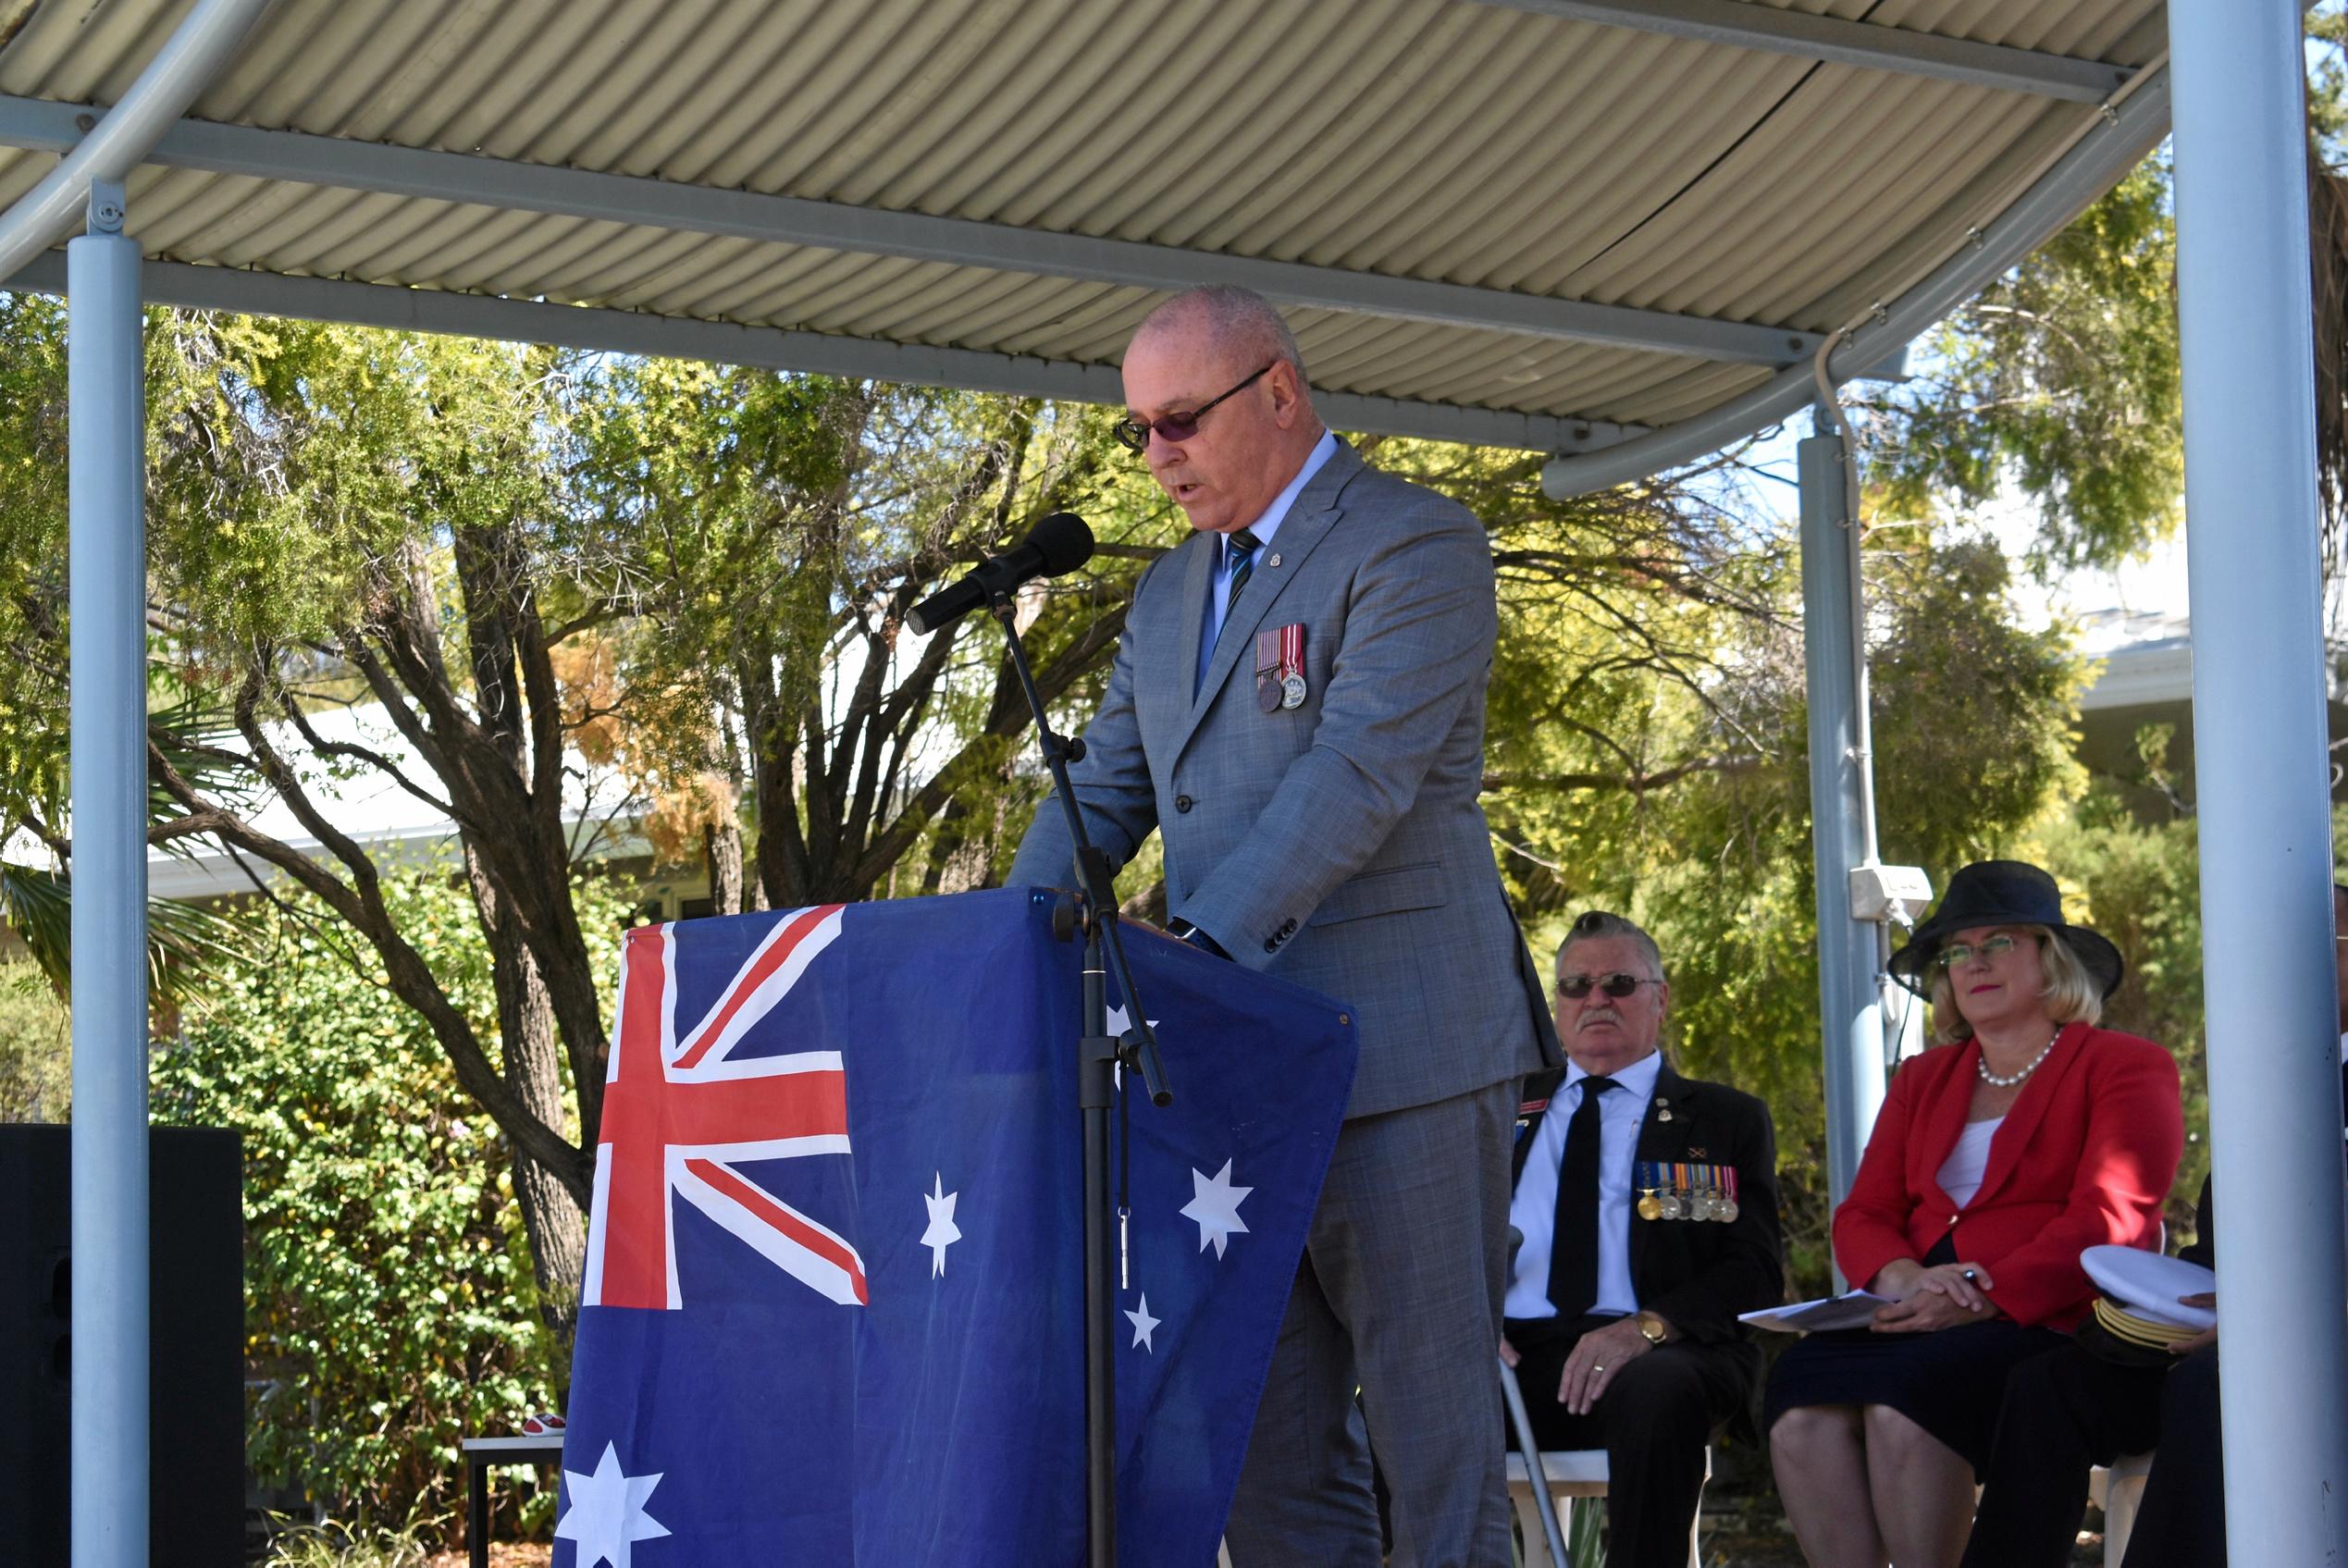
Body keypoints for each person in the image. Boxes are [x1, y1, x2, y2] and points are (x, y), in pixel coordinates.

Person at [1005, 285, 1559, 1567]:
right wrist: (1002, 945)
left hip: (1402, 1058)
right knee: (1265, 1464)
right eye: (1137, 430)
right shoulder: (1162, 595)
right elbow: (1103, 787)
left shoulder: (1415, 543)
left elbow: (1355, 775)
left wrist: (1191, 956)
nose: (1155, 457)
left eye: (1179, 421)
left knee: (1435, 1462)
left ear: (1278, 392)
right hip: (1236, 1086)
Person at [1765, 859, 2183, 1568]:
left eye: (1999, 943)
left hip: (2046, 1320)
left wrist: (1979, 1299)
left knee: (1906, 1398)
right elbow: (1863, 1211)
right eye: (1958, 950)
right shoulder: (1923, 1078)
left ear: (2051, 960)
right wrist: (1904, 1279)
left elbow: (2110, 1217)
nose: (1974, 963)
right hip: (1919, 1309)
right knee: (1799, 1396)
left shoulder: (2124, 1064)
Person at [1959, 883, 2348, 1568]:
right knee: (2051, 1382)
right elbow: (2232, 1242)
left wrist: (2282, 1314)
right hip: (2226, 1330)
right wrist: (2159, 1294)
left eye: (2320, 945)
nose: (2284, 969)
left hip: (2318, 1339)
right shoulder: (2279, 1082)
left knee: (2220, 1384)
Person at [1500, 910, 1784, 1568]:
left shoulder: (1722, 1118)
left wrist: (1648, 1327)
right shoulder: (1501, 1107)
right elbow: (1439, 1239)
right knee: (1384, 1413)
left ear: (1661, 998)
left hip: (1660, 1352)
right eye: (1576, 986)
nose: (1596, 999)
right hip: (1514, 1356)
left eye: (1619, 982)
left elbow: (1754, 1269)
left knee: (1657, 1394)